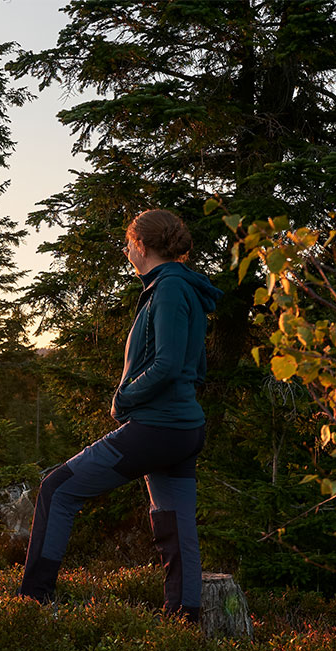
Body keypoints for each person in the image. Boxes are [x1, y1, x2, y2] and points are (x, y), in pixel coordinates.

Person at [19, 208, 222, 621]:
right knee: (176, 524)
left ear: (142, 246)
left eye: (129, 243)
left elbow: (167, 364)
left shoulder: (168, 288)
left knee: (57, 489)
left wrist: (125, 398)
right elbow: (195, 367)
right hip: (182, 429)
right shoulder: (181, 287)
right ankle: (184, 620)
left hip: (159, 428)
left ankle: (32, 605)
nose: (127, 251)